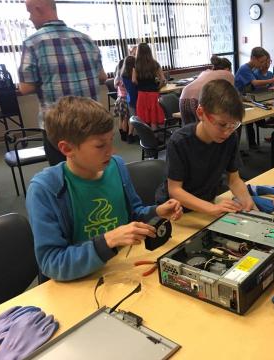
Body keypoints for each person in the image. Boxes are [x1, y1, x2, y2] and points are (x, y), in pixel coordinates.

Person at [26, 96, 183, 281]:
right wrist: (107, 241)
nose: (112, 151)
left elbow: (133, 213)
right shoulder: (45, 190)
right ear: (67, 149)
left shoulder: (116, 166)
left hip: (120, 269)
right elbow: (52, 263)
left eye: (111, 140)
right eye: (100, 145)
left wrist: (156, 211)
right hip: (78, 284)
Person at [18, 0, 107, 166]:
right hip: (92, 121)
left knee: (65, 173)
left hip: (59, 128)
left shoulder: (32, 43)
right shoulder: (85, 39)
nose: (30, 18)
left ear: (38, 9)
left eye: (30, 12)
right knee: (96, 169)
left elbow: (25, 87)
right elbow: (102, 77)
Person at [157, 79, 254, 216]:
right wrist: (210, 208)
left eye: (233, 125)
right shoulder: (180, 142)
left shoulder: (230, 138)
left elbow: (234, 179)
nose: (227, 132)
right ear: (201, 113)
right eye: (221, 125)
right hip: (176, 210)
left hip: (207, 204)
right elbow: (175, 190)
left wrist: (247, 201)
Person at [234, 47, 274, 149]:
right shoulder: (245, 69)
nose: (262, 64)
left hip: (245, 97)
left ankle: (254, 140)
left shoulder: (251, 69)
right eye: (261, 61)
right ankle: (252, 142)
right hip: (238, 100)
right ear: (253, 58)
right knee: (250, 119)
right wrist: (271, 80)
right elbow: (255, 83)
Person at [179, 55, 234, 125]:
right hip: (198, 99)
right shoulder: (228, 74)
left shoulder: (206, 72)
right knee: (204, 131)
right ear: (227, 69)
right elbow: (230, 97)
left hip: (183, 98)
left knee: (189, 130)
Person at [133, 43, 166, 128]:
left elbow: (133, 80)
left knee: (143, 117)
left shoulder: (136, 64)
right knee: (153, 117)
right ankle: (155, 137)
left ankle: (147, 138)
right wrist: (158, 87)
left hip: (142, 94)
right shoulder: (155, 63)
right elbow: (163, 80)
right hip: (153, 94)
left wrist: (140, 84)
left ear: (138, 52)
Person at [113, 58, 135, 143]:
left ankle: (122, 133)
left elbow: (116, 87)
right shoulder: (124, 78)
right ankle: (125, 134)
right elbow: (127, 88)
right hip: (125, 99)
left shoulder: (117, 78)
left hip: (119, 99)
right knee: (126, 118)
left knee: (120, 118)